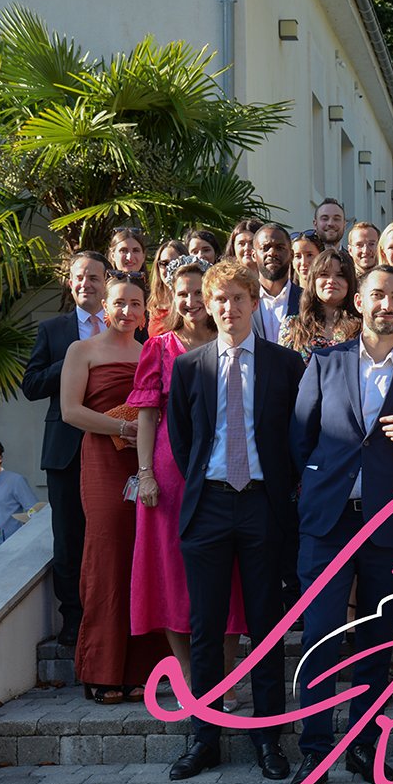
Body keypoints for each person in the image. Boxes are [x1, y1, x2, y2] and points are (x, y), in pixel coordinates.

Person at [289, 264, 393, 784]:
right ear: (359, 301)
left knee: (378, 640)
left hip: (388, 523)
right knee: (322, 635)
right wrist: (318, 486)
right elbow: (300, 437)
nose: (387, 304)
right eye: (378, 294)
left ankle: (363, 744)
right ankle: (314, 750)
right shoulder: (325, 360)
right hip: (328, 521)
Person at [165, 260, 305, 782]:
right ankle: (204, 737)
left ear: (253, 302)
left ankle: (268, 738)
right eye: (219, 299)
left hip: (264, 506)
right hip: (209, 506)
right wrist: (210, 483)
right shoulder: (189, 367)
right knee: (206, 628)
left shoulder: (285, 364)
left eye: (238, 299)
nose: (228, 308)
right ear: (208, 304)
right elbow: (182, 440)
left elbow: (297, 435)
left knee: (266, 627)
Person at [130, 255, 245, 711]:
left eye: (200, 292)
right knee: (171, 575)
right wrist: (145, 474)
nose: (192, 301)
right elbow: (146, 416)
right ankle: (192, 676)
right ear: (171, 298)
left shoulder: (233, 342)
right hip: (169, 476)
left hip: (226, 470)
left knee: (229, 576)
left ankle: (226, 678)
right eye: (183, 293)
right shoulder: (158, 347)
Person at [60, 277, 169, 704]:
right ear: (105, 307)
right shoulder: (82, 350)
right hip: (104, 461)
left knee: (144, 557)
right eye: (120, 303)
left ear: (145, 312)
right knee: (107, 556)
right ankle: (103, 669)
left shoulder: (151, 352)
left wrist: (144, 432)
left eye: (136, 304)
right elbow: (71, 412)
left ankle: (143, 669)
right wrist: (123, 427)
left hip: (147, 461)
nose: (127, 311)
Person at [22, 249, 108, 647]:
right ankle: (73, 618)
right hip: (65, 449)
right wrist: (75, 360)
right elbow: (31, 385)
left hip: (115, 445)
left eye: (94, 277)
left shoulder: (126, 324)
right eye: (79, 277)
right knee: (69, 538)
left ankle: (113, 616)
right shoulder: (53, 330)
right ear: (70, 282)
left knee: (111, 535)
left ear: (106, 282)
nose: (86, 283)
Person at [280, 247, 362, 361]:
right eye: (324, 274)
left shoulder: (363, 327)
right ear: (313, 281)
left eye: (340, 275)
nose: (331, 281)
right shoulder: (292, 325)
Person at [252, 223, 300, 343]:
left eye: (280, 248)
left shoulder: (307, 300)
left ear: (291, 255)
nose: (272, 253)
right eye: (265, 248)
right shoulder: (242, 300)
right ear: (253, 255)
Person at [146, 238, 187, 337]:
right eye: (164, 264)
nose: (170, 268)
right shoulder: (149, 306)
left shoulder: (193, 305)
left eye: (176, 263)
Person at [290, 231, 323, 299]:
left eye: (309, 255)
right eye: (298, 256)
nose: (303, 262)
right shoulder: (285, 296)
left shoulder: (328, 294)